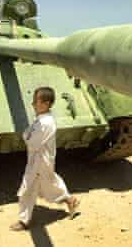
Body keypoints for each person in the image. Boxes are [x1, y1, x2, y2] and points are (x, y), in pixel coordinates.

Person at [10, 87, 80, 231]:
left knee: (27, 189)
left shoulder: (44, 123)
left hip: (39, 161)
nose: (33, 104)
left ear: (46, 103)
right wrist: (28, 135)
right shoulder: (42, 120)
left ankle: (24, 221)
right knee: (50, 184)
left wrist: (27, 135)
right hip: (41, 160)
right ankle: (70, 200)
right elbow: (29, 136)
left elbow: (31, 141)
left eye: (36, 101)